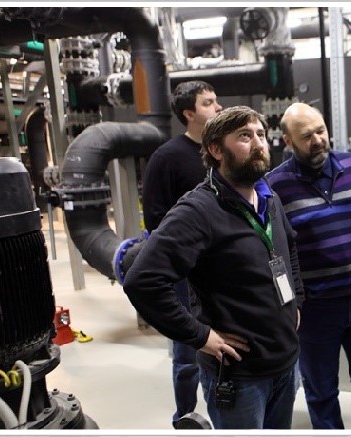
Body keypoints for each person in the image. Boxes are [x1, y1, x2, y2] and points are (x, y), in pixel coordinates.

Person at [124, 106, 304, 429]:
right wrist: (199, 335)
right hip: (240, 378)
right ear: (216, 149)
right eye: (245, 136)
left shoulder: (268, 197)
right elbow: (142, 281)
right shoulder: (198, 211)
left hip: (285, 363)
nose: (258, 144)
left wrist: (296, 301)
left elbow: (288, 245)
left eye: (261, 135)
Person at [265, 102, 351, 429]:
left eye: (321, 131)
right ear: (288, 142)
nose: (318, 140)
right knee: (321, 393)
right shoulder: (273, 188)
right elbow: (269, 248)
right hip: (315, 310)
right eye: (306, 136)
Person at [141, 80, 222, 428]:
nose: (217, 107)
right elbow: (155, 218)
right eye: (208, 102)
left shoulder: (221, 152)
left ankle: (226, 411)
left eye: (216, 100)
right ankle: (185, 418)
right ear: (189, 114)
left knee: (225, 343)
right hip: (187, 274)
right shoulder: (167, 158)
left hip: (224, 267)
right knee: (187, 352)